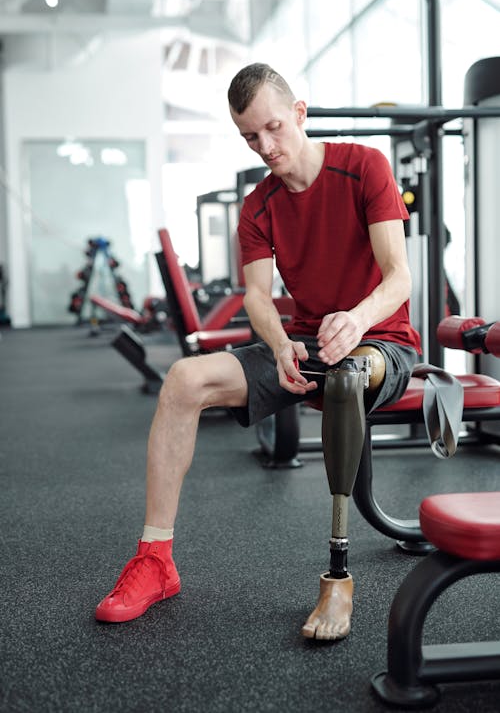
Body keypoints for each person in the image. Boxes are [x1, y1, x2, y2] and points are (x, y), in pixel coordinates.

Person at [95, 63, 421, 639]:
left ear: (299, 113)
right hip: (308, 345)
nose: (265, 146)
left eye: (272, 128)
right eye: (250, 136)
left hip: (380, 345)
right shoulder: (259, 205)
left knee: (346, 376)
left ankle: (338, 580)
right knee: (182, 381)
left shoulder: (363, 167)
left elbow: (398, 277)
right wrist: (278, 346)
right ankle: (155, 561)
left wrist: (358, 319)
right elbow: (257, 296)